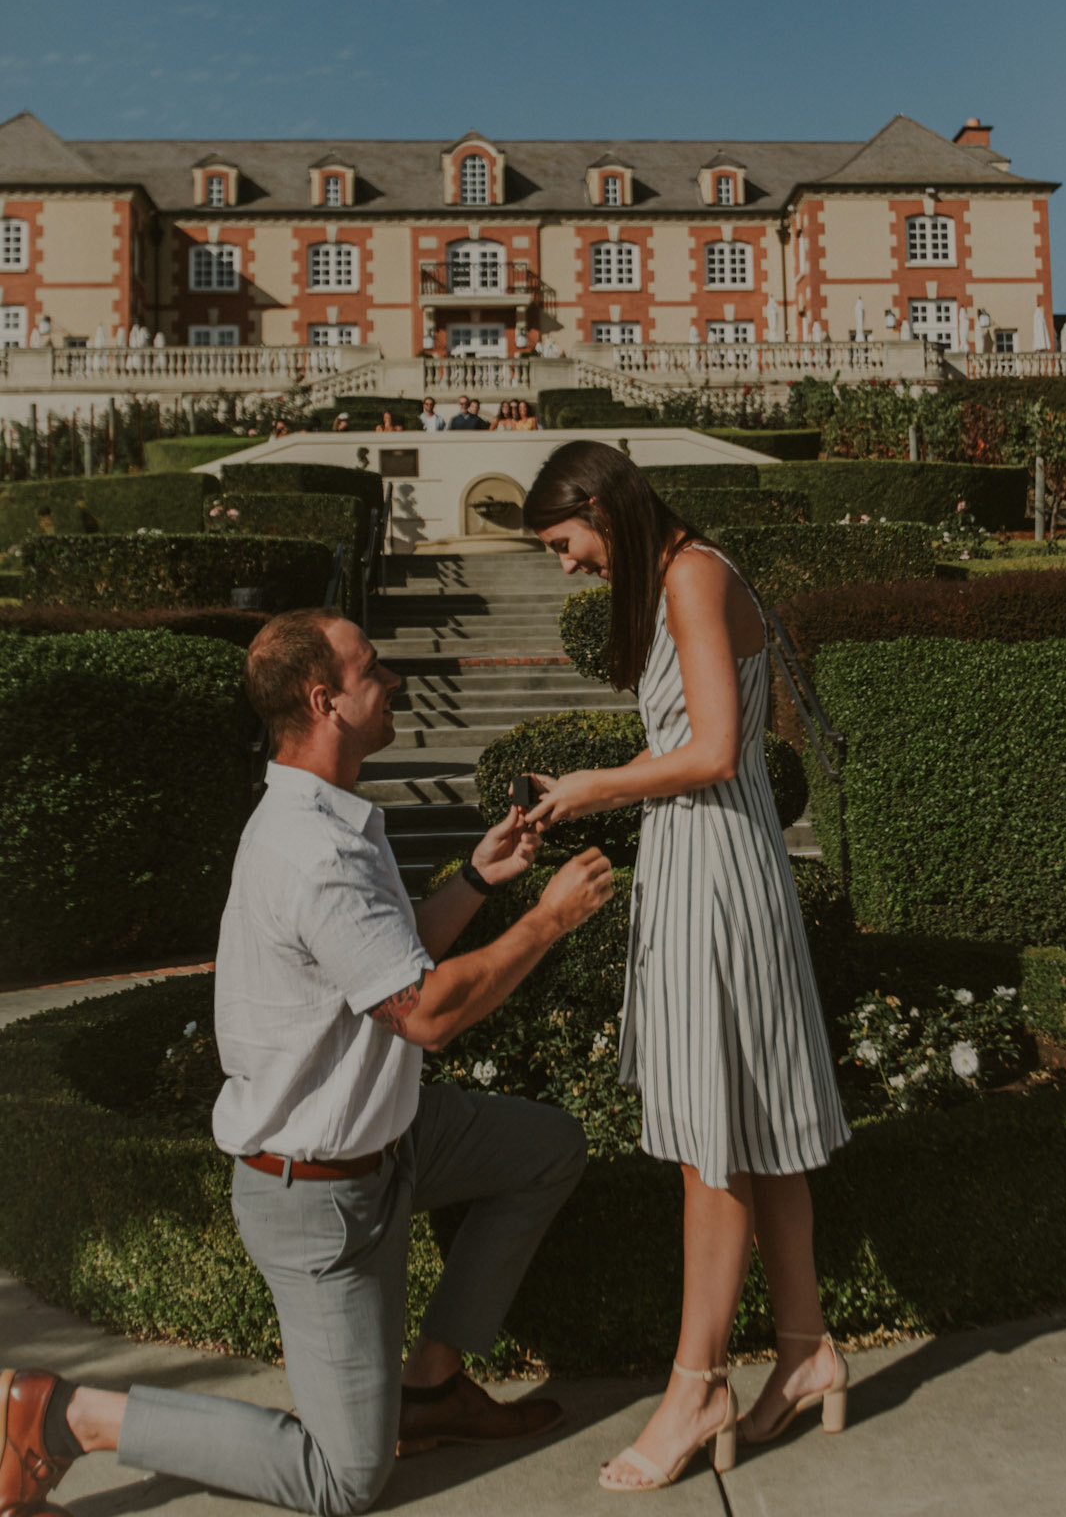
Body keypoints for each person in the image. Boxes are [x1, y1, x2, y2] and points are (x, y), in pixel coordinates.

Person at [0, 608, 614, 1517]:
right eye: (374, 669)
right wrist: (550, 917)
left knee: (545, 1148)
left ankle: (431, 1386)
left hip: (395, 1142)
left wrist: (478, 881)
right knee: (344, 1479)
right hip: (318, 1195)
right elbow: (427, 1014)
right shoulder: (314, 849)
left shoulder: (327, 817)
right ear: (325, 701)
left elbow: (385, 963)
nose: (394, 681)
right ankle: (63, 1417)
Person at [522, 442, 850, 1492]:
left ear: (599, 507)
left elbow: (712, 751)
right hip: (710, 857)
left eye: (563, 542)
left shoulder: (693, 576)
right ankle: (804, 1349)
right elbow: (696, 744)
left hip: (715, 865)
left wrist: (596, 786)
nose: (567, 564)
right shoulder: (686, 575)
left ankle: (697, 1384)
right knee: (758, 1132)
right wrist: (590, 792)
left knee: (711, 1140)